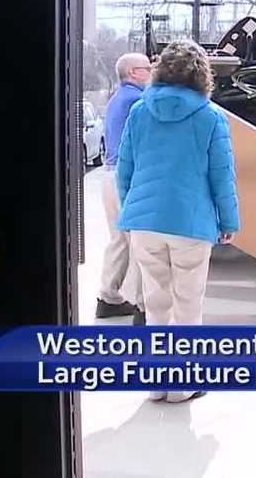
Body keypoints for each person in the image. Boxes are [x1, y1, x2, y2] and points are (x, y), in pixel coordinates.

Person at [117, 39, 240, 403]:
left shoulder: (139, 111)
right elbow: (222, 177)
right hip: (190, 223)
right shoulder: (211, 117)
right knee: (187, 305)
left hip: (144, 222)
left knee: (155, 304)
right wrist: (229, 221)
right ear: (202, 75)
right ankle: (183, 385)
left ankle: (156, 384)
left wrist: (133, 210)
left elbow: (124, 169)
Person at [96, 52, 152, 323]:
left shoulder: (117, 98)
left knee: (119, 241)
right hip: (126, 178)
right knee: (142, 242)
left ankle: (108, 298)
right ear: (133, 73)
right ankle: (143, 307)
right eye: (147, 68)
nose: (151, 72)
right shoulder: (137, 100)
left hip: (110, 176)